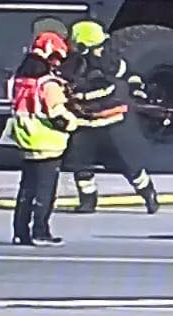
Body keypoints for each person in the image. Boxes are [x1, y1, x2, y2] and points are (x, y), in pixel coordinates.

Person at [62, 20, 159, 215]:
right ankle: (88, 200)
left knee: (127, 163)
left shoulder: (110, 63)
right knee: (81, 165)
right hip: (84, 123)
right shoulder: (72, 65)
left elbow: (130, 75)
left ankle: (148, 193)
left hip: (112, 123)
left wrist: (138, 90)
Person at [10, 30, 79, 247]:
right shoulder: (48, 84)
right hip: (49, 144)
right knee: (45, 192)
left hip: (26, 141)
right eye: (57, 57)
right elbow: (57, 114)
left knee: (26, 190)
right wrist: (73, 121)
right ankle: (41, 231)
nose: (58, 62)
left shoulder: (19, 80)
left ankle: (20, 232)